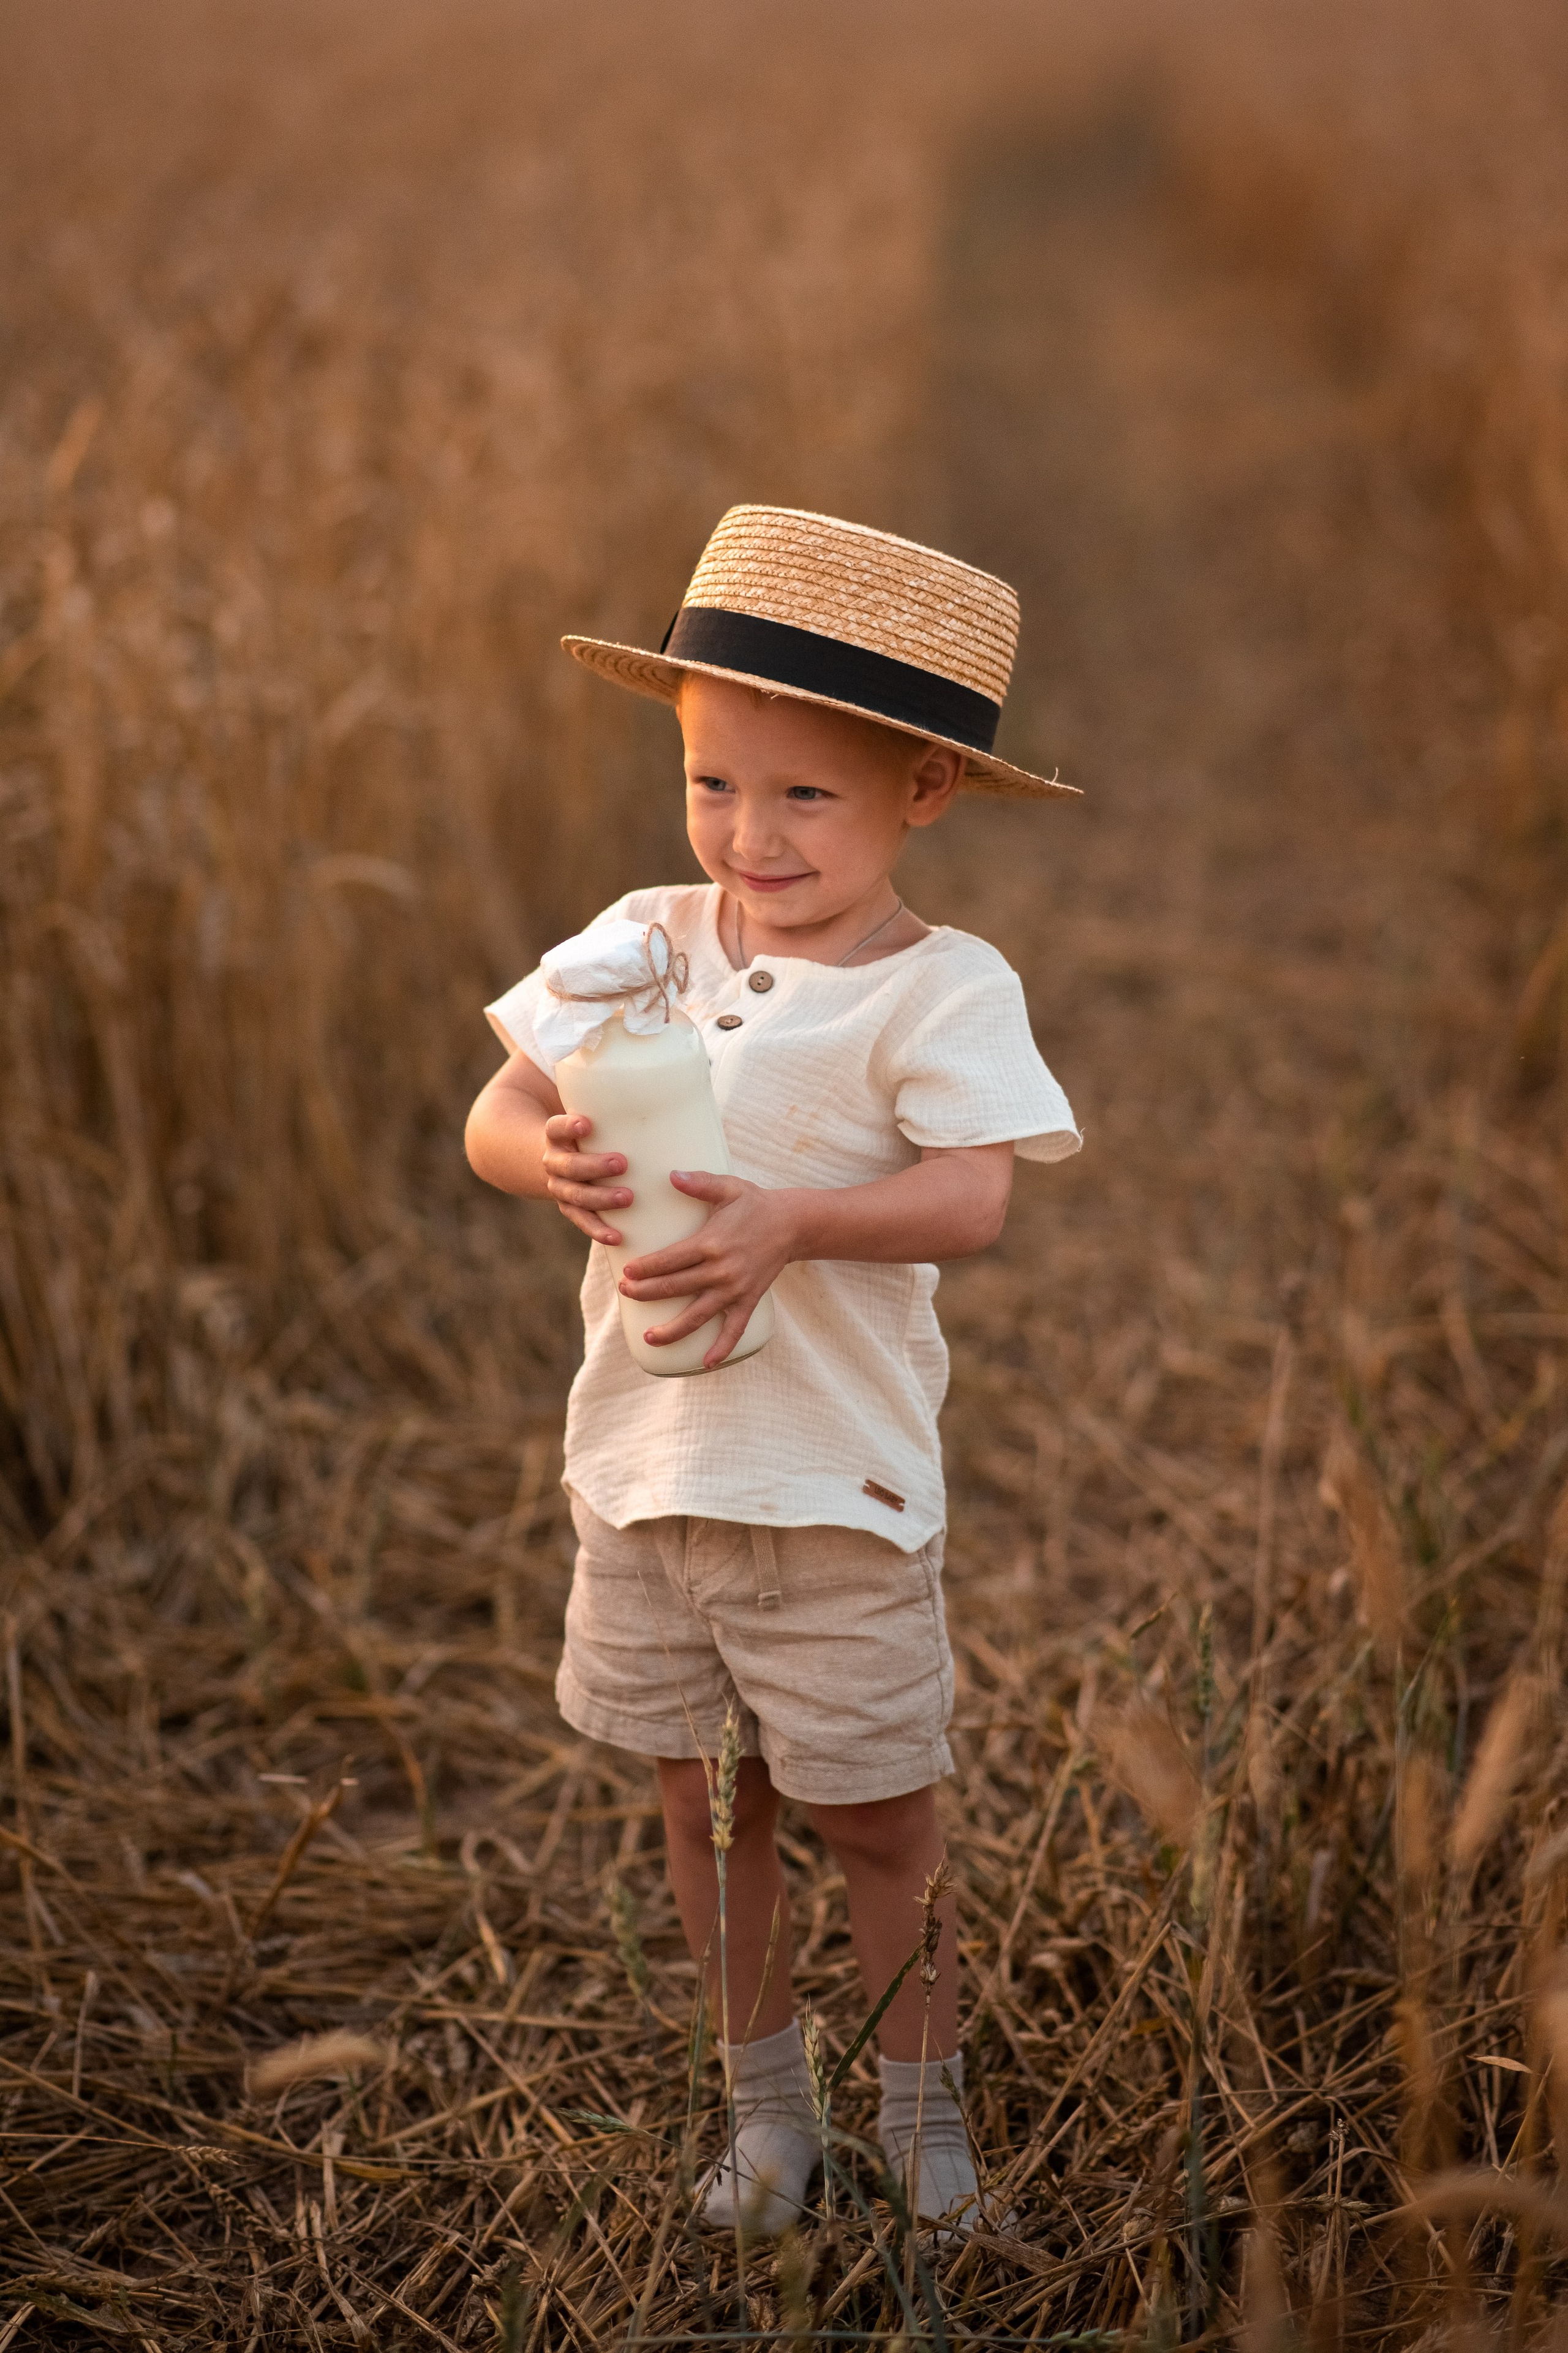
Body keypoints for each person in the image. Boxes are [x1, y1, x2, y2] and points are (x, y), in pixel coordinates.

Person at [465, 504, 1080, 2236]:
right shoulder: (642, 936)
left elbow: (973, 1196)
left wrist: (792, 1222)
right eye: (715, 783)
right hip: (647, 1466)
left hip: (833, 1482)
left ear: (924, 792)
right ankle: (769, 2115)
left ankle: (925, 2122)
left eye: (804, 792)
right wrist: (550, 1162)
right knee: (700, 1800)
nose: (750, 833)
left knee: (878, 1817)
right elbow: (497, 1110)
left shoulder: (939, 990)